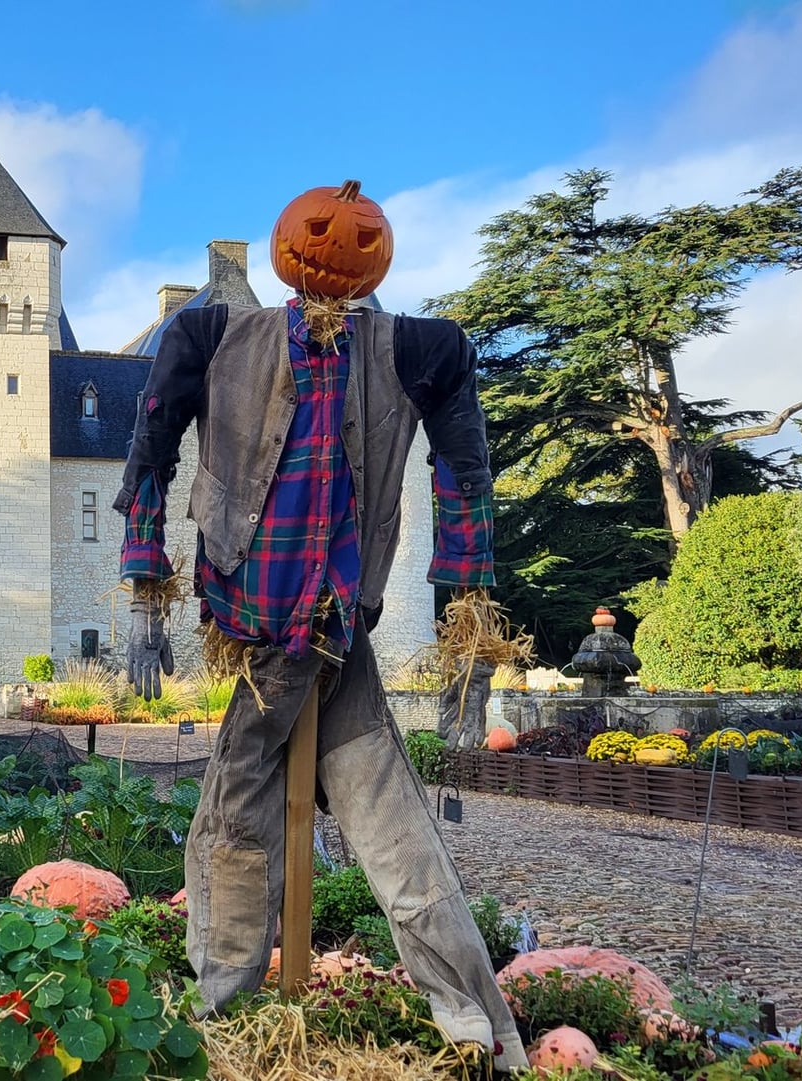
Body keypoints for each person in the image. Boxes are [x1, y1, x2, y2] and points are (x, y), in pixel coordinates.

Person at [116, 181, 528, 1070]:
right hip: (257, 618)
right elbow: (150, 444)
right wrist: (144, 566)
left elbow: (464, 466)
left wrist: (466, 604)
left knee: (239, 808)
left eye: (357, 237)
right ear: (288, 251)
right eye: (321, 233)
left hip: (327, 618)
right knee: (381, 814)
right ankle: (479, 1026)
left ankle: (222, 1010)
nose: (334, 249)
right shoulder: (214, 335)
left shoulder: (411, 349)